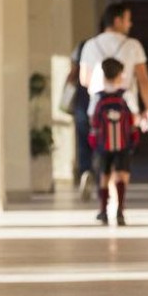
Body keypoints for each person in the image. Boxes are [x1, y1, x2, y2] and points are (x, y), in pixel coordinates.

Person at [80, 3, 148, 121]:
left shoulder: (89, 45)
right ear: (117, 20)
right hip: (127, 108)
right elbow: (143, 80)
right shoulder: (133, 45)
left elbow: (84, 80)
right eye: (128, 20)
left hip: (97, 109)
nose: (130, 24)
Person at [88, 58, 139, 226]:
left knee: (104, 174)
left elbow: (92, 118)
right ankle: (120, 210)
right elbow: (134, 118)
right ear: (120, 75)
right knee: (121, 174)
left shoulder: (98, 96)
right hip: (123, 143)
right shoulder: (126, 94)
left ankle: (103, 209)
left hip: (103, 143)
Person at [66, 40, 94, 201]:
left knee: (83, 141)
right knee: (99, 140)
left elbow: (71, 78)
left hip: (82, 104)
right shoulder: (101, 50)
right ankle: (100, 172)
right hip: (99, 103)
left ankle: (85, 170)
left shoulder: (81, 49)